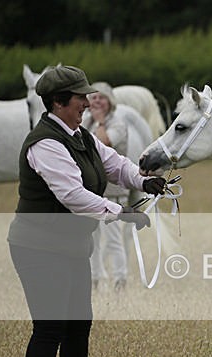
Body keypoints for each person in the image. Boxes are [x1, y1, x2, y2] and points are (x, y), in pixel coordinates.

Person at [7, 65, 166, 357]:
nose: (87, 102)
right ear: (60, 102)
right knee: (49, 329)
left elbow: (113, 164)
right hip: (38, 249)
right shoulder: (46, 142)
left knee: (78, 326)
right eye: (81, 97)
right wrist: (119, 210)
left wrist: (144, 181)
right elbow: (72, 195)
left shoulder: (81, 135)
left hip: (71, 247)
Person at [85, 82, 131, 291]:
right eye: (93, 97)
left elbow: (104, 143)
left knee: (113, 239)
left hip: (112, 192)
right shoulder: (85, 122)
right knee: (91, 240)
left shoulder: (117, 123)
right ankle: (95, 280)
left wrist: (100, 122)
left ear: (110, 101)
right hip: (89, 192)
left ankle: (120, 281)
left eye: (101, 97)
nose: (97, 101)